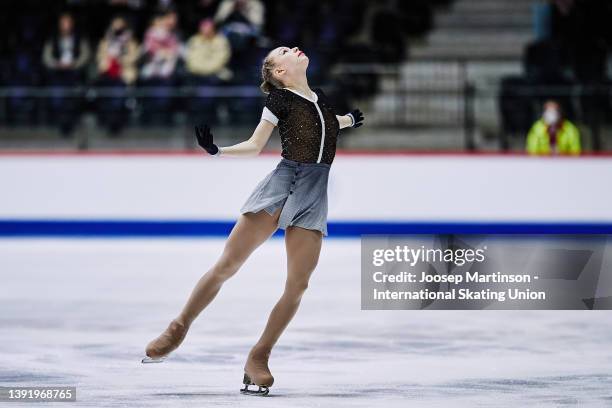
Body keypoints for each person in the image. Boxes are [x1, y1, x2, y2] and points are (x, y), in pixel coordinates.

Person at [142, 46, 364, 396]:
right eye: (284, 52)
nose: (293, 49)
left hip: (313, 194)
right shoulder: (279, 100)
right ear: (279, 72)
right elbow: (256, 144)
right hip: (282, 186)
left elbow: (322, 125)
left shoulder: (320, 98)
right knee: (228, 265)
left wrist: (348, 121)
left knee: (298, 286)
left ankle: (259, 357)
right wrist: (219, 151)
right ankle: (178, 328)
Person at [42, 12, 91, 135]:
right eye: (63, 23)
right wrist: (56, 64)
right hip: (58, 74)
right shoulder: (53, 38)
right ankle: (60, 124)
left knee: (73, 99)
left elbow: (85, 55)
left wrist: (74, 64)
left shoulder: (79, 38)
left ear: (72, 24)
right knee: (58, 98)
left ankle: (72, 124)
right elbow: (46, 57)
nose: (65, 25)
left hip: (74, 74)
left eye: (68, 23)